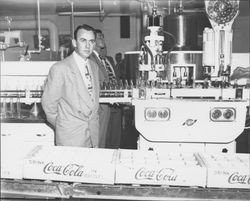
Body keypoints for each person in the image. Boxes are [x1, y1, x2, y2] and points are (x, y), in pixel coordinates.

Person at [42, 24, 100, 147]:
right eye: (83, 40)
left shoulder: (94, 66)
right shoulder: (60, 68)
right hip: (70, 136)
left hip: (93, 134)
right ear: (74, 42)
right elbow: (49, 105)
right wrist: (64, 125)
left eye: (91, 41)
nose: (88, 45)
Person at [92, 29, 122, 148]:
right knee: (102, 136)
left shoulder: (107, 60)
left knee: (114, 135)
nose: (102, 39)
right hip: (102, 103)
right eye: (99, 37)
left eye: (103, 36)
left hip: (115, 101)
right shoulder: (91, 59)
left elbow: (114, 77)